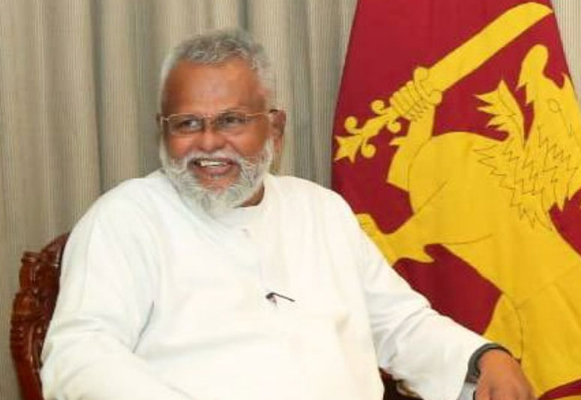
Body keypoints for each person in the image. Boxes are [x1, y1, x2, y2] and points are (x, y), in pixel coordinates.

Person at [40, 28, 534, 400]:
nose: (208, 143)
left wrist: (481, 357)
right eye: (187, 123)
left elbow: (398, 323)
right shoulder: (126, 218)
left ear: (275, 129)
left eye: (232, 120)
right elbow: (80, 354)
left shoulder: (320, 210)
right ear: (162, 130)